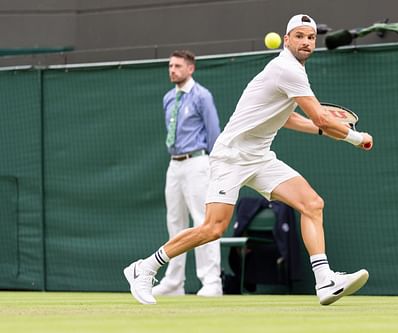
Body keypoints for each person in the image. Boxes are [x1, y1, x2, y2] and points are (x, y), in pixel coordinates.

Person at [124, 14, 373, 306]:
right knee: (212, 229)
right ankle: (145, 268)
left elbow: (289, 118)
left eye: (311, 38)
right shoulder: (287, 69)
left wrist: (325, 128)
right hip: (230, 157)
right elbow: (319, 116)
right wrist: (356, 138)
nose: (306, 42)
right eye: (300, 37)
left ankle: (325, 281)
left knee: (312, 204)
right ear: (287, 39)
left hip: (260, 157)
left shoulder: (290, 71)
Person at [152, 50, 223, 297]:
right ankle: (174, 282)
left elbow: (214, 133)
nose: (172, 70)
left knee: (203, 221)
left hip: (198, 163)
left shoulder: (203, 96)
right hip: (174, 165)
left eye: (178, 66)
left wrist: (214, 165)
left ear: (190, 69)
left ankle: (212, 281)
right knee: (175, 222)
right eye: (170, 66)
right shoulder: (168, 98)